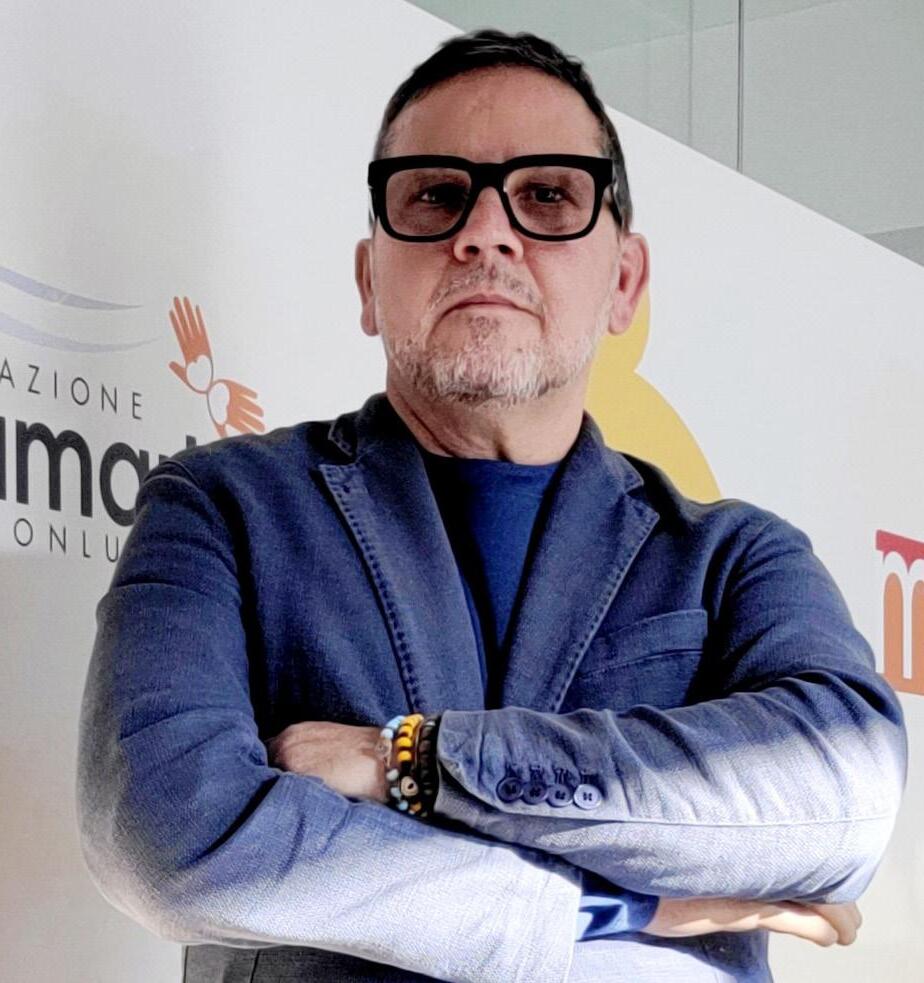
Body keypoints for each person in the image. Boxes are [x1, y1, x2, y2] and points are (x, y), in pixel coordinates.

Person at [76, 28, 907, 983]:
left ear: (624, 281)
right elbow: (170, 830)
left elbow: (842, 795)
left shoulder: (738, 558)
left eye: (547, 195)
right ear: (369, 281)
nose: (484, 232)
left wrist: (411, 761)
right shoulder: (222, 509)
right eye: (436, 195)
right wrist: (610, 906)